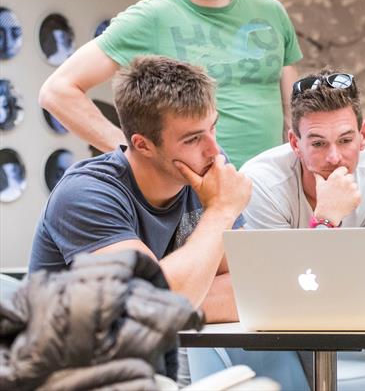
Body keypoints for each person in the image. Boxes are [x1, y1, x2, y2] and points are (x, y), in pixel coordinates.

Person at [28, 56, 310, 389]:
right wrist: (220, 212)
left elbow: (256, 284)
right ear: (142, 144)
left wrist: (173, 296)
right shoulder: (85, 194)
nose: (214, 150)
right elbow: (156, 301)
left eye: (213, 127)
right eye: (192, 139)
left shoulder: (204, 174)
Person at [38, 0, 302, 168]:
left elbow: (295, 110)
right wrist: (134, 159)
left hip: (270, 188)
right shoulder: (151, 17)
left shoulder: (270, 10)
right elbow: (56, 91)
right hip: (192, 192)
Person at [241, 68, 365, 266]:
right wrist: (326, 220)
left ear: (362, 135)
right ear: (296, 144)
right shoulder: (260, 183)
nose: (334, 158)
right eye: (318, 144)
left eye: (345, 140)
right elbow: (282, 284)